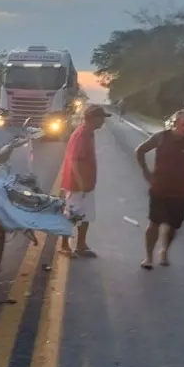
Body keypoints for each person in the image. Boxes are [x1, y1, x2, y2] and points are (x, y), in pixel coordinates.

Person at [134, 110, 184, 269]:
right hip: (159, 188)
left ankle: (164, 250)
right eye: (183, 124)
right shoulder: (161, 137)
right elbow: (140, 151)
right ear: (174, 123)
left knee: (173, 225)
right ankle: (148, 257)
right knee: (154, 222)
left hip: (179, 192)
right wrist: (146, 171)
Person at [58, 105, 110, 258]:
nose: (103, 122)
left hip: (86, 185)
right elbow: (75, 161)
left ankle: (81, 244)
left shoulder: (89, 133)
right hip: (77, 185)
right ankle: (64, 245)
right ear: (93, 118)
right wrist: (81, 184)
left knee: (86, 215)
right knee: (71, 214)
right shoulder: (82, 134)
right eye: (101, 118)